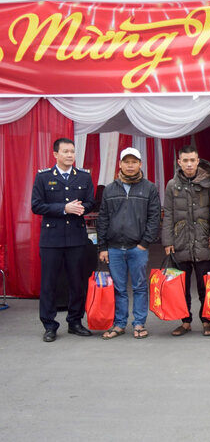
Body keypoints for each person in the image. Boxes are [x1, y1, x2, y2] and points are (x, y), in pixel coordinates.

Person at [31, 138, 96, 342]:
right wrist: (63, 208)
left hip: (76, 238)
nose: (70, 155)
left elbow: (91, 202)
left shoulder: (84, 177)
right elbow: (36, 206)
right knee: (49, 283)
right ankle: (49, 325)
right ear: (55, 154)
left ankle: (75, 321)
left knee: (77, 282)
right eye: (66, 151)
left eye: (72, 151)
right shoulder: (44, 177)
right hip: (51, 239)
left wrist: (82, 208)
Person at [97, 147, 161, 339]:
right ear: (120, 164)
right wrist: (102, 247)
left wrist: (145, 243)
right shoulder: (110, 189)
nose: (130, 165)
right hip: (114, 248)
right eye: (127, 162)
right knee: (118, 288)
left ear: (140, 164)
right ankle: (119, 324)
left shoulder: (149, 188)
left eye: (134, 162)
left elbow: (154, 217)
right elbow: (103, 219)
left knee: (140, 286)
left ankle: (139, 323)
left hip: (137, 248)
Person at [162, 145, 210, 337]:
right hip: (180, 241)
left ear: (198, 161)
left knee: (204, 285)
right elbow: (168, 213)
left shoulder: (209, 183)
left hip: (203, 240)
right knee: (182, 286)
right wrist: (167, 241)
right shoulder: (172, 185)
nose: (189, 164)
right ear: (179, 162)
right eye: (185, 161)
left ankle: (206, 320)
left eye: (192, 160)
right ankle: (185, 322)